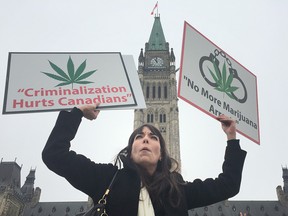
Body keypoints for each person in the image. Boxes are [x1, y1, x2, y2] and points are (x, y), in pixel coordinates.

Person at [42, 103, 246, 216]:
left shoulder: (177, 190)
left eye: (152, 137)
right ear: (130, 151)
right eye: (139, 137)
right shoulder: (108, 179)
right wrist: (77, 111)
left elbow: (229, 185)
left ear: (161, 153)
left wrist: (231, 137)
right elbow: (54, 154)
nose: (145, 138)